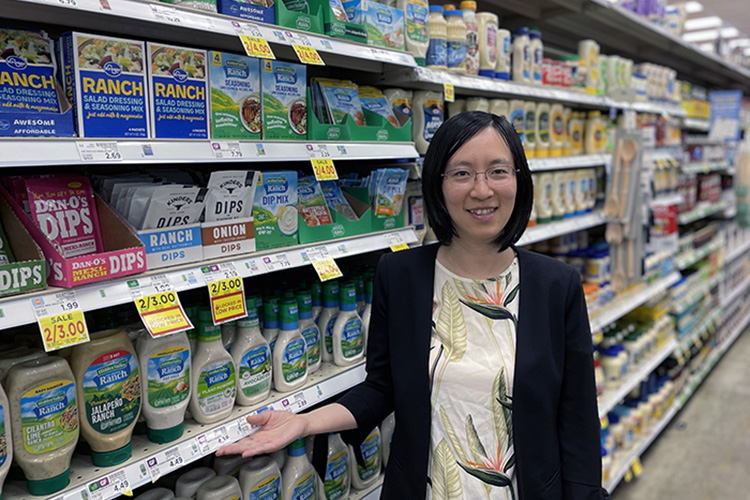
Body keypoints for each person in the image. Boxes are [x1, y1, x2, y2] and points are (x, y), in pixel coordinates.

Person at [218, 111, 609, 500]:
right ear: (437, 185)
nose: (482, 190)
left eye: (498, 171)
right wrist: (304, 424)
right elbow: (381, 388)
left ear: (519, 181)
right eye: (461, 173)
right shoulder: (401, 275)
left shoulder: (557, 285)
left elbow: (577, 422)